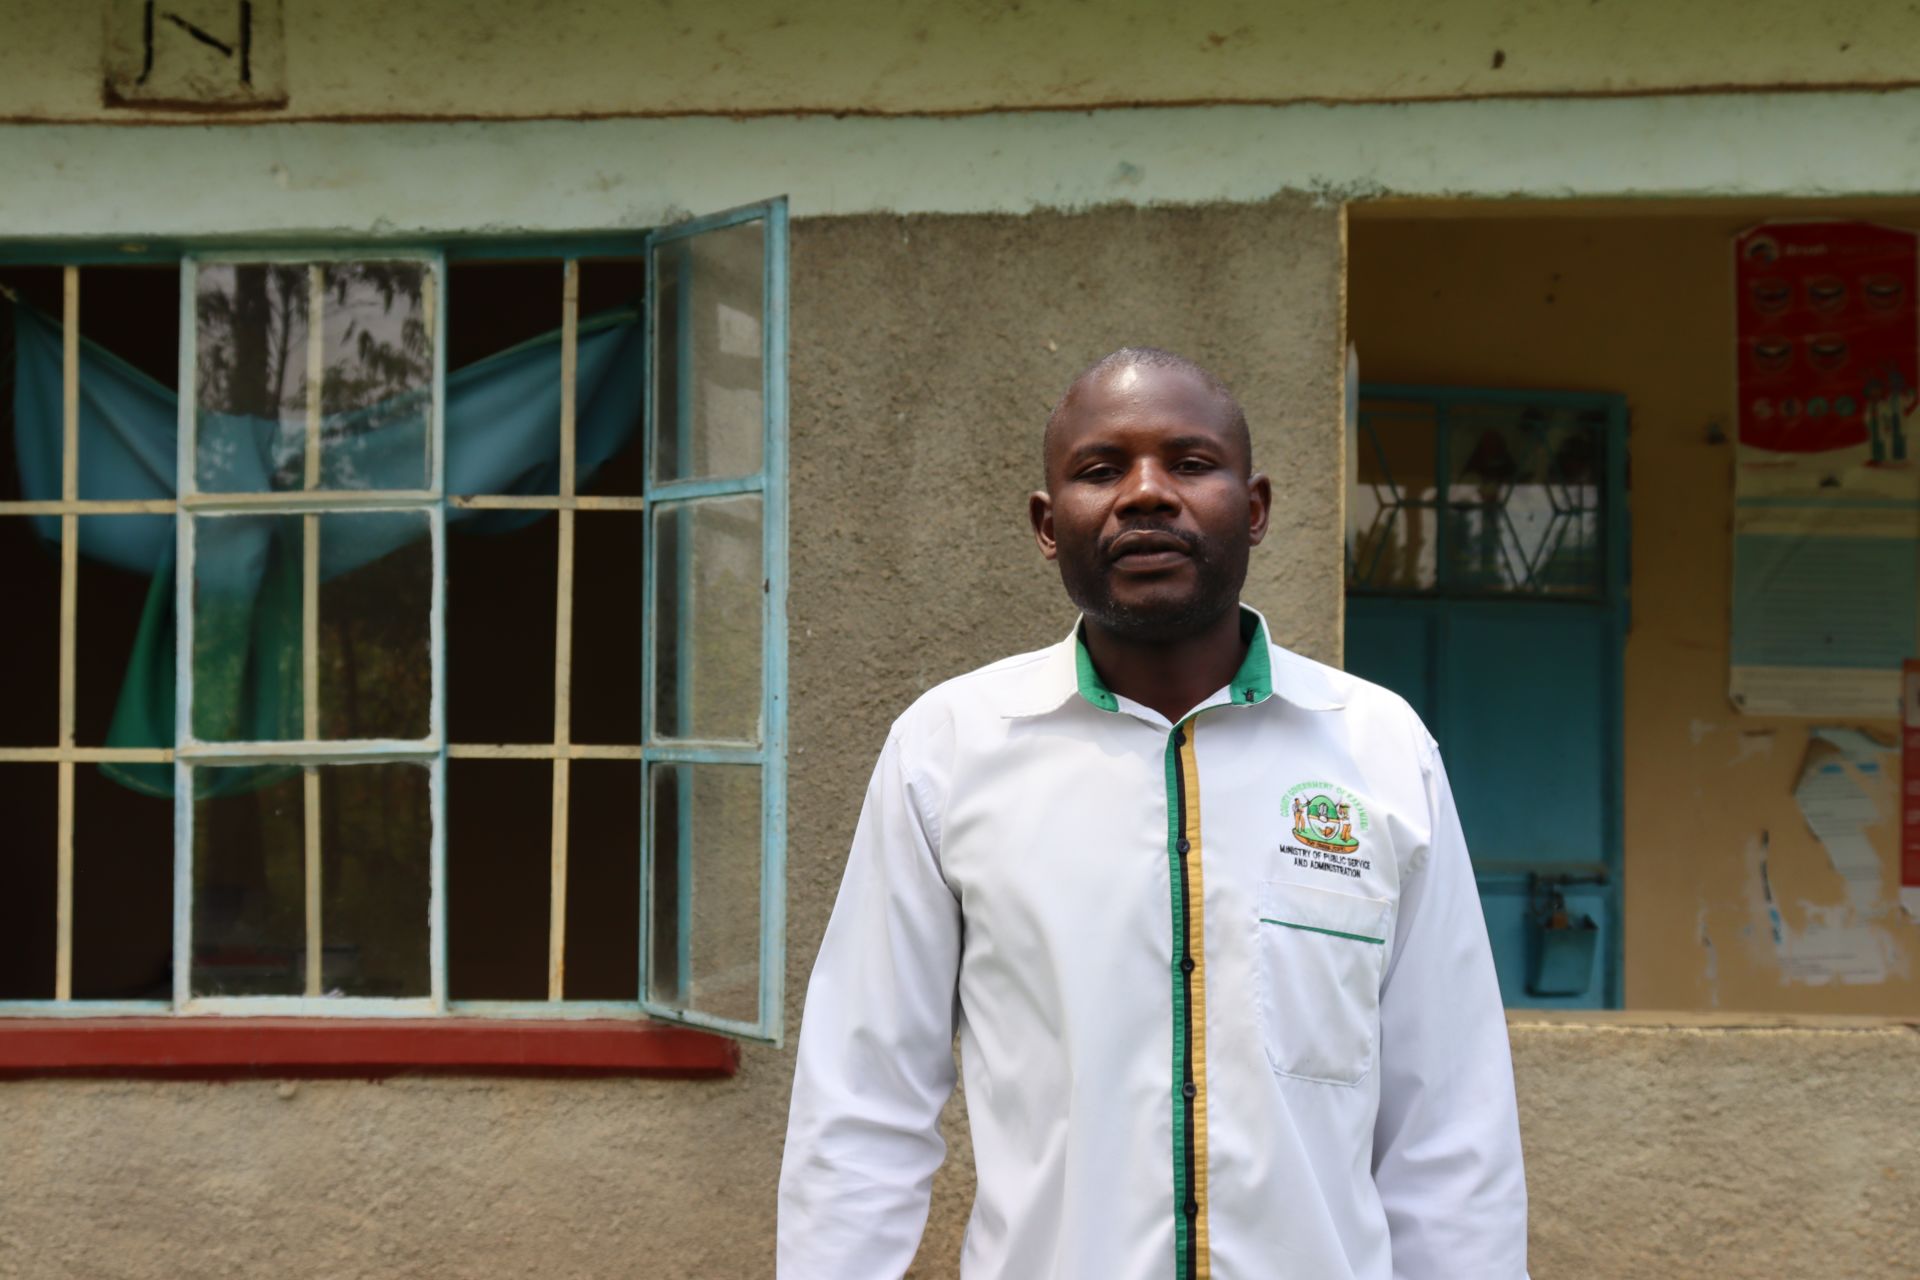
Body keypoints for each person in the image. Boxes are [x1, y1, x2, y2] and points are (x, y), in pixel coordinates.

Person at [777, 348, 1528, 1279]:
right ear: (1047, 525)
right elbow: (863, 1102)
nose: (1145, 494)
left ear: (1255, 508)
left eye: (1190, 462)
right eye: (1101, 470)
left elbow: (1449, 1123)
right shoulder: (950, 750)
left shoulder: (1378, 750)